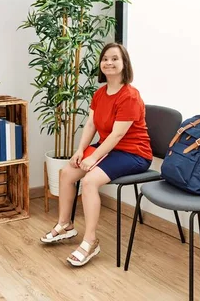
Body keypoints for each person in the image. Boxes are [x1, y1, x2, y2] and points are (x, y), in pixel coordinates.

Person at [40, 42, 153, 267]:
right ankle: (65, 224)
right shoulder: (100, 93)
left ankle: (91, 241)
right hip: (107, 148)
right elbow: (91, 124)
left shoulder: (129, 95)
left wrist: (93, 157)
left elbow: (117, 135)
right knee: (66, 172)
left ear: (124, 64)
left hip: (134, 153)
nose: (109, 62)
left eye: (114, 59)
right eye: (105, 59)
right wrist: (81, 150)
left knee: (90, 181)